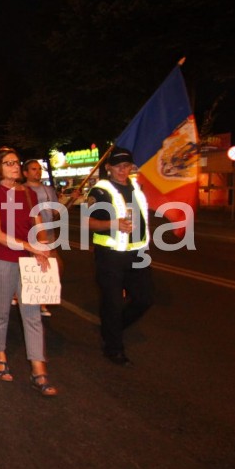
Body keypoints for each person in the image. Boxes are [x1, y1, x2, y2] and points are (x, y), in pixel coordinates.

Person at [0, 147, 57, 397]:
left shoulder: (29, 194)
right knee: (1, 312)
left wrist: (43, 247)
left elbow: (39, 227)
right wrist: (28, 245)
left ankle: (39, 369)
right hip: (2, 260)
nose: (15, 166)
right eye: (8, 163)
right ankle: (0, 353)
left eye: (16, 162)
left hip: (29, 262)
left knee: (32, 314)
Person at [86, 146, 152, 366]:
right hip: (111, 255)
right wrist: (114, 224)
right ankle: (113, 348)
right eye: (118, 166)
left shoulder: (135, 187)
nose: (123, 170)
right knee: (112, 303)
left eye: (127, 166)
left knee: (144, 299)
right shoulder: (101, 191)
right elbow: (90, 222)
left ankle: (111, 327)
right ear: (108, 168)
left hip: (138, 253)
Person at [22, 159, 60, 317]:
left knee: (50, 266)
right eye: (33, 169)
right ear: (25, 173)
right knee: (31, 266)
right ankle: (28, 299)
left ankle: (42, 303)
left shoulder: (48, 190)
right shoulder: (21, 189)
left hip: (48, 232)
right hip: (29, 233)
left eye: (39, 169)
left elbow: (55, 211)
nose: (37, 172)